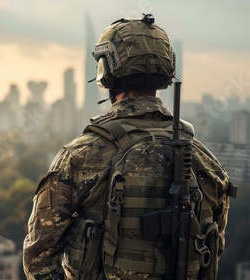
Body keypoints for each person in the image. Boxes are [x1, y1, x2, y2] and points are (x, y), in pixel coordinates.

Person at [23, 14, 237, 280]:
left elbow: (38, 259)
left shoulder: (80, 157)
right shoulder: (207, 162)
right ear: (165, 72)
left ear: (109, 73)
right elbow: (212, 250)